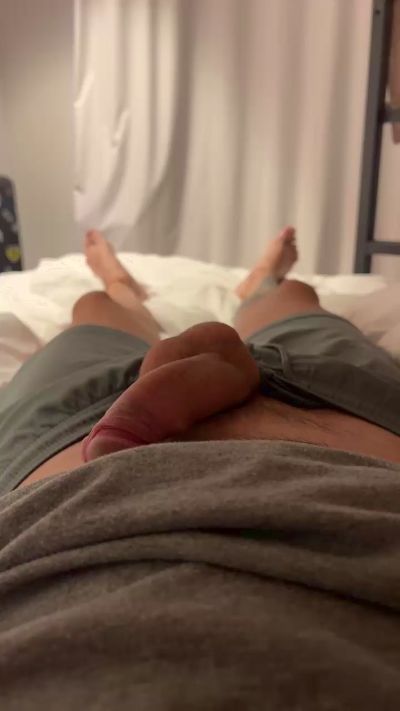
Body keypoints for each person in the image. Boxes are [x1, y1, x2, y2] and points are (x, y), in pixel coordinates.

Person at [0, 227, 399, 710]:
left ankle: (124, 287)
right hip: (348, 404)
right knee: (295, 297)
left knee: (94, 308)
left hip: (59, 433)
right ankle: (253, 282)